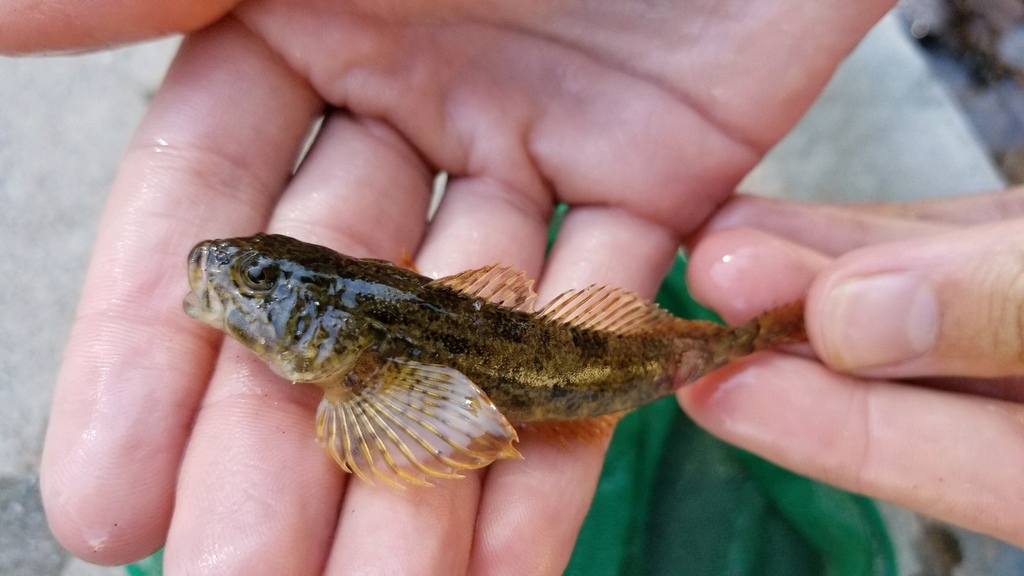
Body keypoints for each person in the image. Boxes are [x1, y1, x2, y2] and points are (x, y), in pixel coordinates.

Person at [4, 0, 1022, 572]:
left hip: (585, 350)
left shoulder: (366, 373)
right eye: (257, 274)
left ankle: (769, 334)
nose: (230, 272)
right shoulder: (363, 339)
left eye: (263, 277)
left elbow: (427, 418)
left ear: (333, 336)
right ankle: (771, 333)